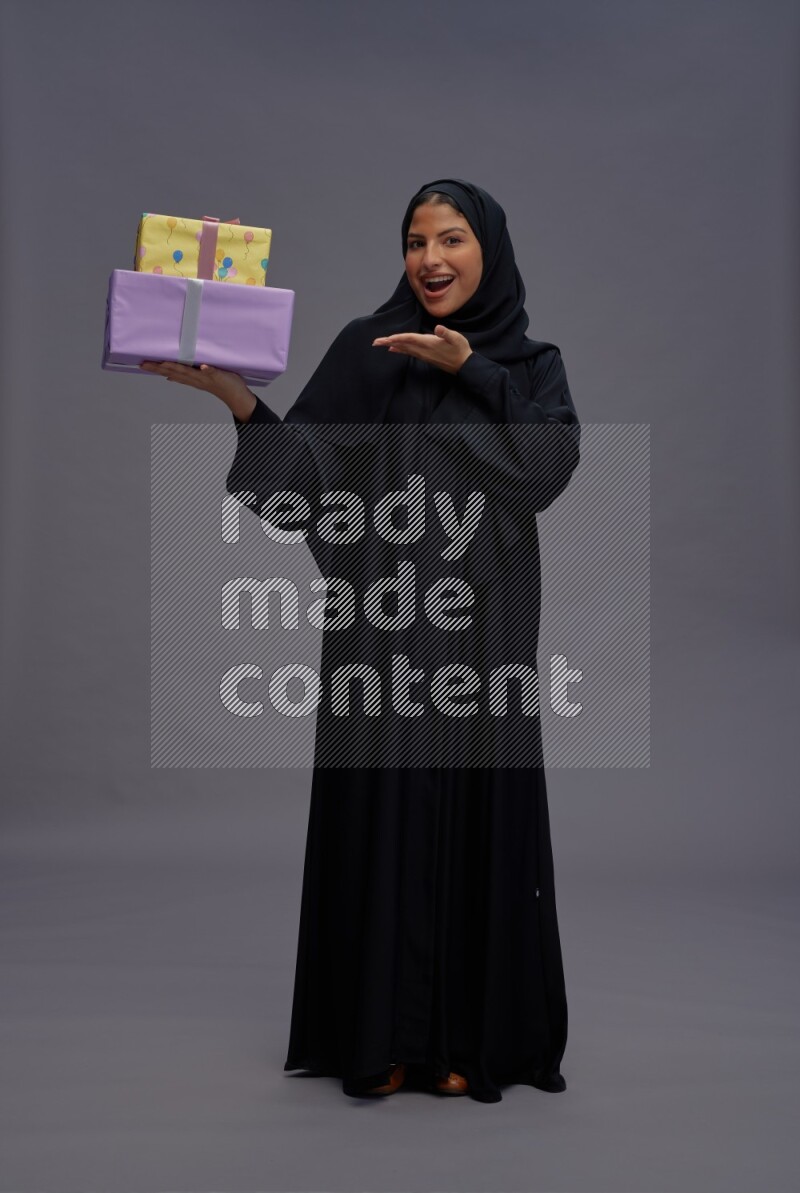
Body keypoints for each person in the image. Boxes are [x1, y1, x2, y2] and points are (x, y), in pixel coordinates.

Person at [140, 177, 581, 1104]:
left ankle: (470, 1038)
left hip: (484, 640)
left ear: (488, 251)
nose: (431, 259)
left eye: (452, 239)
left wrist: (474, 371)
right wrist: (234, 398)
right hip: (379, 631)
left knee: (474, 811)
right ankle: (377, 1035)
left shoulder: (531, 368)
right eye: (416, 241)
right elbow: (300, 480)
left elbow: (547, 469)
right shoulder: (366, 350)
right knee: (378, 808)